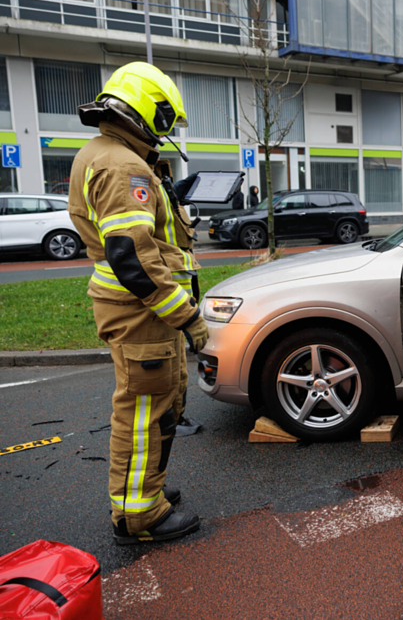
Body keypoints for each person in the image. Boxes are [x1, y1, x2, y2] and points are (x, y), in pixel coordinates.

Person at [67, 62, 208, 545]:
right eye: (167, 120)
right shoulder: (123, 165)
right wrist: (188, 317)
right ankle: (139, 516)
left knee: (159, 404)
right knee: (145, 414)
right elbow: (134, 258)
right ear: (152, 110)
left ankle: (147, 491)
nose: (167, 132)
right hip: (142, 312)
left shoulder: (104, 153)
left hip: (136, 310)